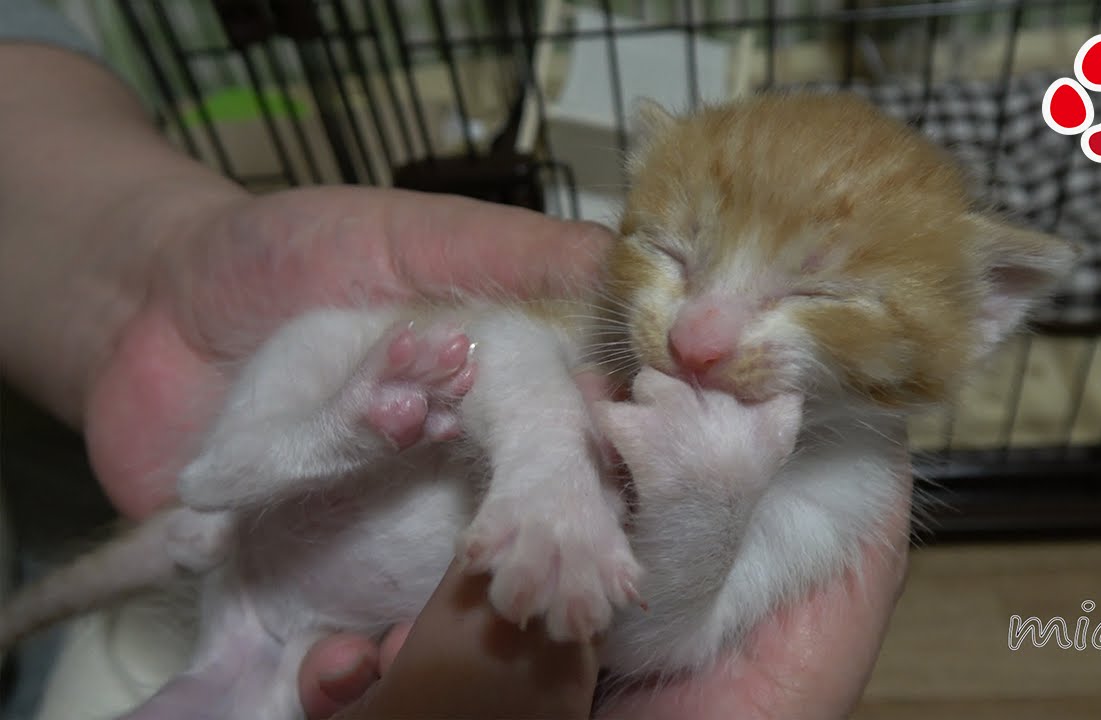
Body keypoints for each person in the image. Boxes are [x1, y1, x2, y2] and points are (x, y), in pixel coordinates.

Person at [0, 3, 910, 718]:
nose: (697, 337)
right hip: (260, 469)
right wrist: (543, 467)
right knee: (334, 338)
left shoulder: (842, 501)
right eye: (674, 255)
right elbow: (493, 348)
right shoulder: (603, 327)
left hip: (280, 634)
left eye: (820, 298)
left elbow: (654, 642)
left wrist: (711, 503)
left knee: (278, 685)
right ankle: (269, 458)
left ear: (985, 318)